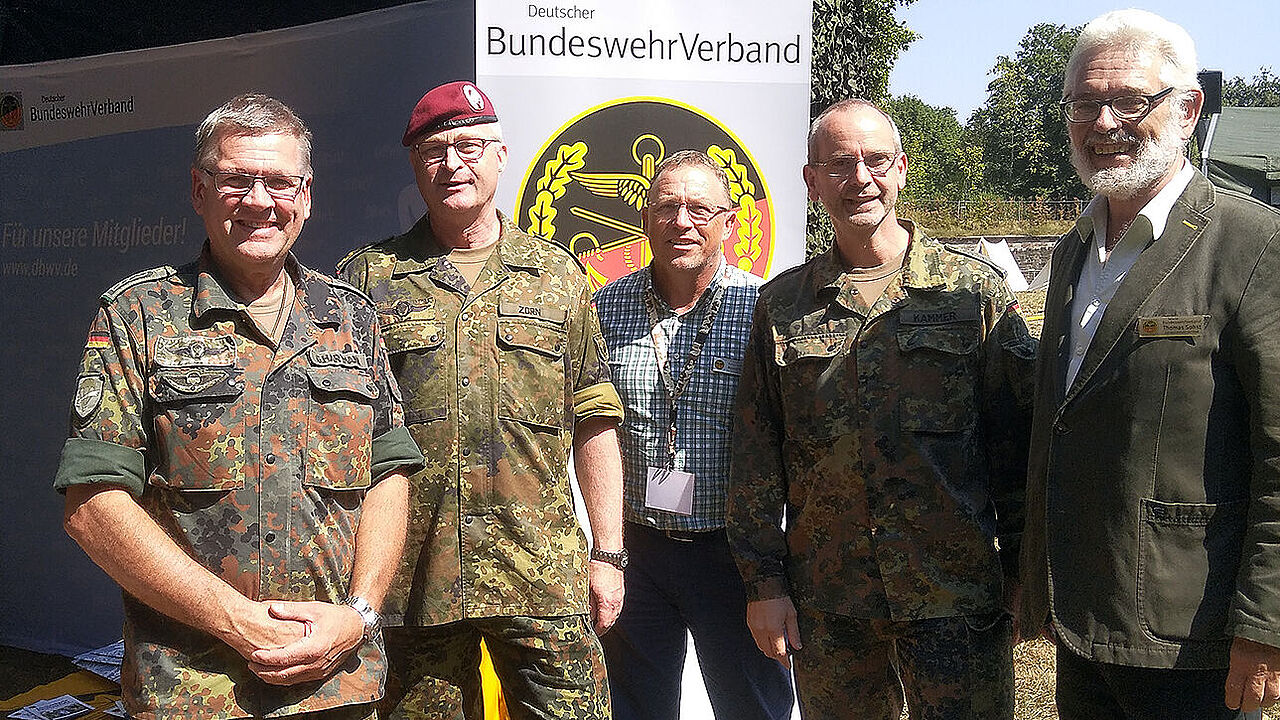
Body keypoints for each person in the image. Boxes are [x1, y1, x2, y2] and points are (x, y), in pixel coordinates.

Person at [55, 93, 423, 720]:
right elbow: (93, 506)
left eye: (279, 182)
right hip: (193, 691)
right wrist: (239, 623)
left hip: (335, 686)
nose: (260, 200)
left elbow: (388, 476)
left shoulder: (351, 317)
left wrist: (358, 615)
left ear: (305, 196)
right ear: (198, 190)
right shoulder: (139, 315)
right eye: (235, 180)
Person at [727, 99, 1036, 719]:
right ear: (811, 182)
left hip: (955, 594)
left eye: (876, 161)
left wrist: (1026, 571)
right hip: (833, 600)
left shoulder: (973, 293)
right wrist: (765, 585)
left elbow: (1017, 443)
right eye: (839, 165)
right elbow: (757, 455)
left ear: (901, 169)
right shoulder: (782, 305)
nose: (860, 179)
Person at [1017, 9, 1280, 719]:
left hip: (1195, 635)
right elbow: (1064, 421)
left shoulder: (1252, 243)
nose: (1103, 123)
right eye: (1084, 103)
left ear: (1188, 109)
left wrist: (1266, 628)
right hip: (1084, 623)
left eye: (1130, 100)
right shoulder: (1076, 246)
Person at [337, 81, 626, 720]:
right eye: (435, 152)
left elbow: (595, 423)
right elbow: (341, 433)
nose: (453, 165)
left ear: (500, 156)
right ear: (415, 167)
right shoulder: (366, 279)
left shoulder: (559, 274)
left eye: (469, 147)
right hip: (415, 577)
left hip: (542, 570)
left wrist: (607, 555)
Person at [592, 150, 794, 720]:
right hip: (637, 550)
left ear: (730, 225)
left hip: (734, 554)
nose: (683, 222)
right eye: (668, 208)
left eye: (700, 210)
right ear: (646, 221)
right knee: (632, 708)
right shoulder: (602, 308)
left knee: (753, 707)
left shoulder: (766, 308)